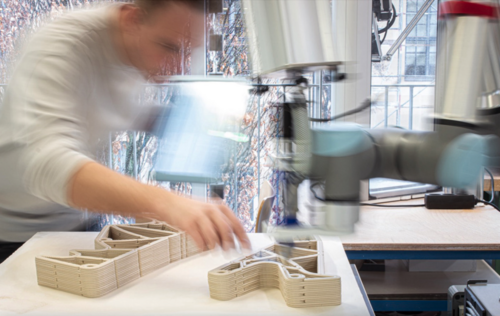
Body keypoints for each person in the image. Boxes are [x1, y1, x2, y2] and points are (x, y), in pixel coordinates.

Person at [0, 0, 250, 263]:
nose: (179, 69)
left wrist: (210, 121)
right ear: (132, 20)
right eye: (170, 48)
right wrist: (169, 204)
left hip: (74, 222)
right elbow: (48, 165)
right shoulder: (61, 48)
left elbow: (133, 111)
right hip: (15, 234)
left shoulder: (136, 48)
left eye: (191, 53)